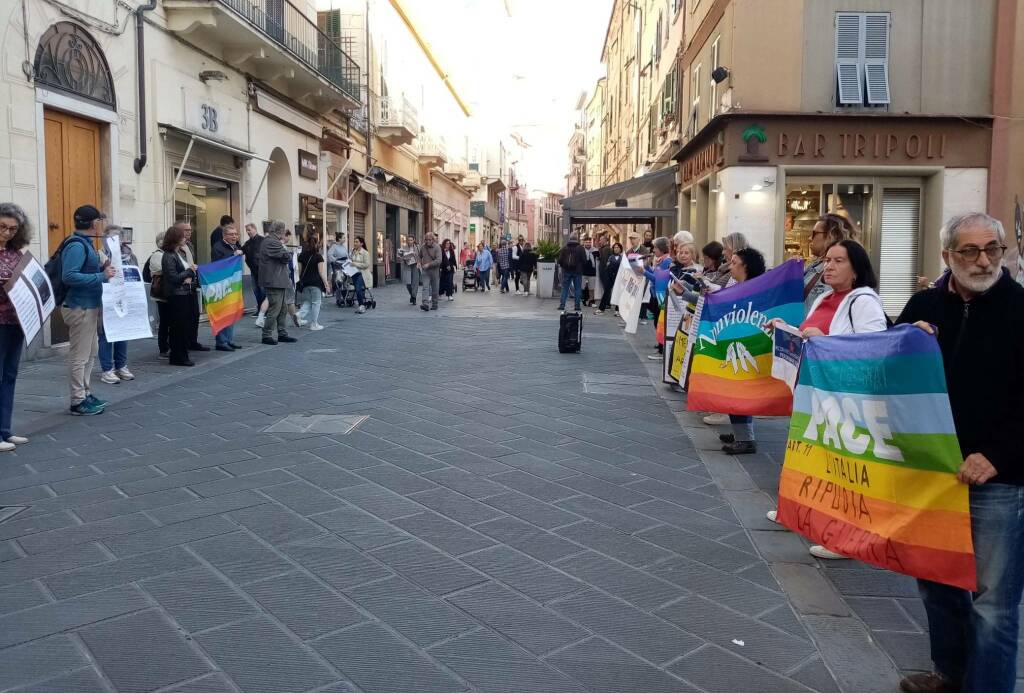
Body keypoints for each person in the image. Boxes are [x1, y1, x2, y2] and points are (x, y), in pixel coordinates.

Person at [894, 213, 1024, 693]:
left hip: (999, 480)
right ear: (947, 255)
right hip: (932, 474)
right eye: (969, 251)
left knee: (994, 603)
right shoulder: (924, 304)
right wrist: (905, 341)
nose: (984, 259)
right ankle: (949, 675)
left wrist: (996, 455)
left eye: (993, 248)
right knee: (936, 583)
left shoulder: (1019, 307)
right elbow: (886, 370)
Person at [763, 239, 888, 555]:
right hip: (815, 393)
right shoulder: (826, 299)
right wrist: (783, 329)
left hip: (845, 398)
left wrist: (828, 340)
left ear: (856, 269)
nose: (829, 266)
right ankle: (798, 511)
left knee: (841, 466)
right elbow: (809, 336)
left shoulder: (864, 301)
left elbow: (873, 348)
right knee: (811, 456)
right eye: (828, 260)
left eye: (838, 261)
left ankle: (843, 538)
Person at [61, 205, 115, 415]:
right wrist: (102, 276)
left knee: (90, 353)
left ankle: (85, 393)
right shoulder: (76, 246)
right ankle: (77, 400)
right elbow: (69, 276)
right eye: (100, 221)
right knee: (79, 355)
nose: (102, 224)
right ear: (93, 224)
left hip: (89, 305)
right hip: (79, 306)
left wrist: (103, 267)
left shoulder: (87, 244)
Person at [718, 246, 766, 453]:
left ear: (746, 266)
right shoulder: (742, 286)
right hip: (738, 343)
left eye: (735, 263)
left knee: (739, 391)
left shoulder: (752, 289)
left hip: (746, 347)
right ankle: (741, 433)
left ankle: (746, 439)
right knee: (735, 390)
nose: (730, 267)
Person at [0, 204, 32, 447]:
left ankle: (5, 430)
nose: (7, 233)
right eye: (2, 226)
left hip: (16, 320)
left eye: (13, 229)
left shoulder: (15, 253)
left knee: (10, 375)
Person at [98, 224, 138, 384]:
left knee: (123, 332)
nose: (115, 240)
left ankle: (121, 366)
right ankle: (107, 370)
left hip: (125, 298)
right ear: (105, 239)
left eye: (118, 237)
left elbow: (136, 275)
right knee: (106, 335)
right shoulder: (99, 255)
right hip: (107, 299)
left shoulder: (130, 256)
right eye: (111, 237)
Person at [161, 225, 199, 367]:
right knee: (178, 327)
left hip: (185, 293)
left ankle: (183, 354)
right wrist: (189, 271)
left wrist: (188, 274)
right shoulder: (168, 256)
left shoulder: (179, 253)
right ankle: (178, 356)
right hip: (176, 295)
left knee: (184, 326)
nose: (185, 238)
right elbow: (173, 277)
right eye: (182, 236)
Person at [804, 214, 858, 312]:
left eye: (814, 233)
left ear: (831, 235)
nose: (809, 238)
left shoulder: (840, 271)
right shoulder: (814, 267)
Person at [258, 220, 298, 345]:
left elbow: (285, 256)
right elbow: (287, 256)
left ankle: (282, 333)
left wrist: (286, 254)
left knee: (283, 308)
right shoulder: (271, 241)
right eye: (284, 230)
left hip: (279, 279)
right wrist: (286, 254)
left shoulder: (272, 241)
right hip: (274, 280)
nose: (284, 233)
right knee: (275, 308)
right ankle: (266, 335)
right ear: (280, 231)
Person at [211, 223, 246, 350]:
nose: (234, 236)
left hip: (233, 283)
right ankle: (221, 342)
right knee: (222, 314)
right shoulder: (218, 247)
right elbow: (218, 264)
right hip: (222, 284)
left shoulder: (235, 245)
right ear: (224, 235)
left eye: (236, 234)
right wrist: (233, 255)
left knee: (231, 312)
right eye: (231, 234)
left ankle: (229, 339)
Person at [643, 237, 674, 360]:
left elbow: (657, 279)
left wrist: (644, 272)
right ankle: (660, 345)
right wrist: (646, 268)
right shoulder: (660, 261)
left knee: (659, 322)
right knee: (657, 321)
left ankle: (662, 349)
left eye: (655, 247)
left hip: (660, 296)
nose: (653, 250)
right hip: (656, 294)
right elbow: (655, 274)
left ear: (661, 249)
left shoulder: (667, 262)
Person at [295, 232, 330, 331]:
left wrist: (299, 281)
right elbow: (321, 272)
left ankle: (299, 314)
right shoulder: (318, 256)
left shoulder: (301, 256)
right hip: (316, 283)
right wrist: (326, 284)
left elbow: (299, 271)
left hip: (305, 283)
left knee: (308, 301)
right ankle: (314, 324)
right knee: (316, 302)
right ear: (317, 244)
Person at [148, 231, 170, 358]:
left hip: (169, 291)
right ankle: (163, 348)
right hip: (161, 293)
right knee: (164, 321)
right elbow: (162, 270)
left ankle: (169, 344)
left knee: (169, 320)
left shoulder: (169, 254)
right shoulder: (157, 255)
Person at [557, 233, 588, 312]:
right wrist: (581, 267)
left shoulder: (564, 248)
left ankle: (562, 305)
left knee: (565, 288)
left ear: (569, 239)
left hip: (567, 271)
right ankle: (577, 306)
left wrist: (564, 266)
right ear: (577, 239)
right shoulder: (581, 248)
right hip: (577, 272)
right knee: (577, 289)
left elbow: (560, 260)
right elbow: (585, 260)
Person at [242, 223, 265, 324]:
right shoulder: (248, 243)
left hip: (262, 270)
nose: (248, 232)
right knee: (256, 290)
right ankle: (259, 308)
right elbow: (242, 250)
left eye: (249, 230)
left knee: (263, 290)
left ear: (255, 229)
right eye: (246, 230)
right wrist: (238, 251)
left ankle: (264, 310)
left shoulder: (262, 240)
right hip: (253, 270)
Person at [597, 242, 623, 315]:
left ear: (620, 249)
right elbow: (607, 266)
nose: (616, 249)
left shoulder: (623, 258)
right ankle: (601, 308)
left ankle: (617, 310)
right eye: (614, 247)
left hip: (618, 277)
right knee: (606, 292)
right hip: (610, 276)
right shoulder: (611, 257)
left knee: (618, 293)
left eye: (617, 247)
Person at [418, 232, 442, 311]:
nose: (428, 241)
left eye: (430, 240)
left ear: (433, 240)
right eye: (426, 240)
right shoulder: (423, 247)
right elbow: (419, 255)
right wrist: (418, 262)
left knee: (435, 288)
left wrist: (429, 264)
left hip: (434, 271)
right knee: (425, 287)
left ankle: (435, 304)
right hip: (425, 271)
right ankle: (425, 304)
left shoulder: (437, 247)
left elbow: (439, 260)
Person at [349, 236, 372, 314]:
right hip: (353, 274)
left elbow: (367, 264)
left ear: (361, 243)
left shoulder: (365, 253)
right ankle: (361, 304)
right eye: (354, 242)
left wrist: (355, 264)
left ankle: (361, 306)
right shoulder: (353, 251)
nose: (355, 243)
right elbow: (350, 261)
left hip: (362, 274)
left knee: (358, 289)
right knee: (357, 289)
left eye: (357, 242)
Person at [398, 236, 421, 305]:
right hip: (407, 265)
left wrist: (419, 262)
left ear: (414, 240)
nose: (410, 241)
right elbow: (399, 257)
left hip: (415, 265)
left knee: (415, 283)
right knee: (408, 283)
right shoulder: (403, 247)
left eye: (411, 240)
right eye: (408, 240)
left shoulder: (417, 247)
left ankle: (414, 298)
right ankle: (412, 294)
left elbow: (421, 256)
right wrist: (402, 258)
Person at [581, 236, 598, 306]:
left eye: (589, 242)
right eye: (586, 242)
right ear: (584, 243)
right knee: (582, 287)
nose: (588, 244)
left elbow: (599, 260)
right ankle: (583, 300)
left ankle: (591, 301)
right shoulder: (581, 250)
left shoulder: (595, 251)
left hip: (592, 272)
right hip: (583, 272)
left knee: (591, 288)